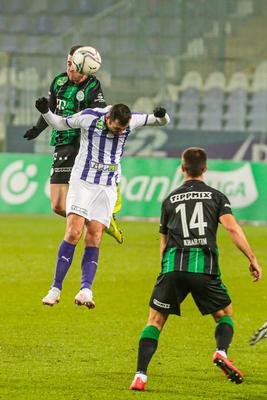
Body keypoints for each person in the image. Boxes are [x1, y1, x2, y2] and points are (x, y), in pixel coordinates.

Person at [129, 147, 262, 391]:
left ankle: (140, 376)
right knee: (225, 314)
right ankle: (221, 352)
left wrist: (165, 271)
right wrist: (252, 258)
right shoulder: (217, 197)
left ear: (182, 168)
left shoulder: (169, 199)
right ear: (205, 168)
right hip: (204, 269)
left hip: (172, 268)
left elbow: (163, 241)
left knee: (155, 321)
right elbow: (232, 229)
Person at [35, 97, 170, 308]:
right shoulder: (89, 117)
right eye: (115, 128)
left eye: (121, 130)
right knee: (73, 232)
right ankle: (55, 289)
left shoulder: (131, 120)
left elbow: (160, 122)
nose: (118, 132)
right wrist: (45, 111)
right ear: (108, 118)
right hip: (83, 182)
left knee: (95, 236)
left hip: (107, 187)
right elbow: (60, 124)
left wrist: (163, 115)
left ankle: (85, 290)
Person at [23, 45, 123, 244]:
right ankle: (100, 219)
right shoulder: (59, 81)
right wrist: (37, 128)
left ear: (84, 67)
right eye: (67, 63)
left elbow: (100, 114)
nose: (69, 68)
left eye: (73, 64)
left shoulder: (92, 87)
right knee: (58, 206)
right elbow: (50, 109)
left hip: (80, 145)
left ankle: (99, 220)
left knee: (73, 200)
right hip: (60, 142)